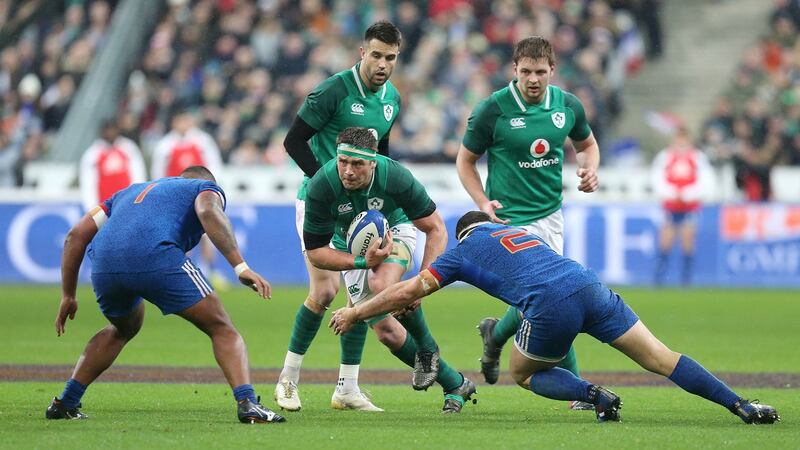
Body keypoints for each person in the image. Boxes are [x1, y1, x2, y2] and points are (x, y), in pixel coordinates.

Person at [330, 211, 780, 425]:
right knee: (662, 357)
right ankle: (742, 404)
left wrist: (355, 311)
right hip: (588, 283)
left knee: (523, 372)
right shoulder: (515, 231)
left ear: (465, 232)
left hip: (549, 304)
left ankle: (594, 395)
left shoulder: (462, 252)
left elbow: (406, 290)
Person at [46, 166, 285, 424]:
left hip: (104, 263)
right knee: (222, 328)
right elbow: (207, 210)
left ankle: (66, 402)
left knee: (123, 328)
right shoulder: (203, 187)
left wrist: (68, 295)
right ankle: (248, 403)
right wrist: (241, 267)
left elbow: (75, 236)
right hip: (156, 256)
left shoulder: (126, 193)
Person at [455, 36, 599, 406]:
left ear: (553, 70)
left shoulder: (567, 106)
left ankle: (495, 336)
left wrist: (589, 170)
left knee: (546, 298)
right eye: (525, 72)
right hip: (511, 220)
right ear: (513, 70)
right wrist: (483, 201)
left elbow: (587, 145)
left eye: (540, 72)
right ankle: (579, 390)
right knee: (555, 298)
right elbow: (465, 160)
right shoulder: (494, 109)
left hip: (551, 215)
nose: (533, 79)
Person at [299, 126, 476, 413]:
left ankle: (427, 348)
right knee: (386, 332)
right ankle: (455, 382)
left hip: (396, 227)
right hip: (352, 245)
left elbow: (437, 229)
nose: (348, 171)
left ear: (373, 161)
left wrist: (423, 282)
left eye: (357, 164)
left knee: (382, 286)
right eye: (343, 162)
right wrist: (360, 262)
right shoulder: (321, 184)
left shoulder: (395, 176)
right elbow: (317, 254)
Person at [276, 21, 405, 412]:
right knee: (325, 291)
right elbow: (293, 140)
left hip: (360, 209)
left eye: (391, 58)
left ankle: (347, 387)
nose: (383, 64)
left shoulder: (392, 100)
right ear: (362, 53)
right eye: (377, 55)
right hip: (317, 202)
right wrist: (324, 184)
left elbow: (380, 157)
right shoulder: (334, 90)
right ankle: (287, 380)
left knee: (361, 296)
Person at [151, 111, 226, 287]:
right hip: (176, 199)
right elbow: (158, 173)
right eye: (180, 119)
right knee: (181, 235)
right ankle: (184, 271)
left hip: (201, 195)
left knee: (208, 233)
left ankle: (211, 271)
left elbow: (215, 166)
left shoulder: (203, 141)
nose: (183, 123)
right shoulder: (165, 145)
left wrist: (214, 191)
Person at [650, 126, 713, 285]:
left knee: (688, 240)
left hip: (689, 206)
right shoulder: (665, 157)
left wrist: (689, 194)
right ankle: (659, 276)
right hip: (671, 205)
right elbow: (657, 179)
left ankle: (686, 277)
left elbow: (705, 180)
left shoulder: (698, 157)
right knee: (666, 240)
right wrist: (671, 193)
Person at [79, 119, 147, 211]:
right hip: (104, 207)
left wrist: (138, 199)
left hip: (127, 204)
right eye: (108, 130)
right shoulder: (93, 153)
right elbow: (88, 182)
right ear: (102, 132)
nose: (110, 133)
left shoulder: (129, 148)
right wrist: (92, 208)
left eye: (113, 129)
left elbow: (138, 174)